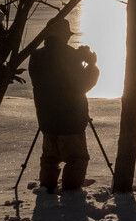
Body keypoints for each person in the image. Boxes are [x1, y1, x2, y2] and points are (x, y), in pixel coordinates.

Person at [28, 16, 100, 193]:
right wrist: (91, 65)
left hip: (47, 119)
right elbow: (82, 85)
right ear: (63, 35)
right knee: (77, 158)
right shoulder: (70, 56)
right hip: (71, 120)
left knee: (49, 159)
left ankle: (47, 190)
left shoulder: (35, 56)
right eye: (67, 34)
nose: (68, 37)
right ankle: (71, 193)